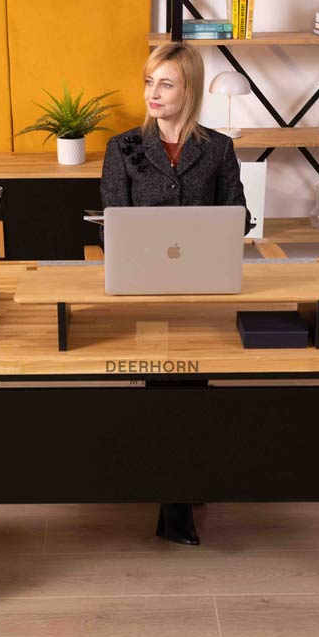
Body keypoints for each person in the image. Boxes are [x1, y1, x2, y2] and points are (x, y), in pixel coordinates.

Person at [100, 42, 253, 546]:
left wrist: (207, 231)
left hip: (202, 292)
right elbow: (113, 227)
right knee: (167, 387)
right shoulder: (122, 148)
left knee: (193, 388)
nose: (152, 93)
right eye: (148, 82)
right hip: (142, 294)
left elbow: (240, 218)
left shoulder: (218, 148)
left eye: (165, 84)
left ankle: (181, 488)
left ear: (188, 89)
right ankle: (176, 498)